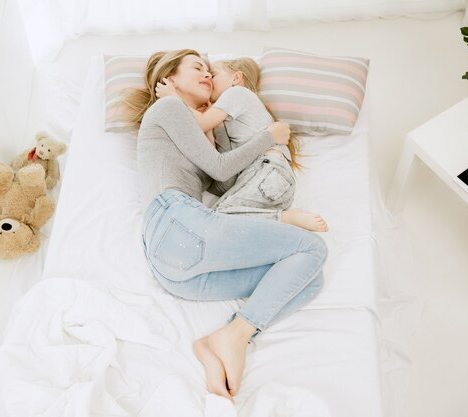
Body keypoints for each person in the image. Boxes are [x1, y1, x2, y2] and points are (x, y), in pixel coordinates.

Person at [123, 49, 328, 400]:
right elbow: (220, 170)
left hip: (177, 270)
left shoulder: (190, 124)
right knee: (312, 247)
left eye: (208, 69)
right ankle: (236, 336)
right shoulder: (167, 108)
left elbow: (219, 181)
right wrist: (269, 137)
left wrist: (213, 130)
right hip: (176, 220)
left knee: (309, 279)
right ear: (169, 80)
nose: (205, 74)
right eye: (197, 68)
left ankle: (231, 335)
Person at [155, 57, 327, 232]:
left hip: (268, 174)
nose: (208, 77)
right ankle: (281, 217)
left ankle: (286, 218)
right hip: (267, 184)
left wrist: (173, 97)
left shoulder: (237, 93)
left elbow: (200, 123)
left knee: (216, 219)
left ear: (236, 78)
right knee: (218, 222)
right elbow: (224, 175)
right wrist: (215, 127)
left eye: (213, 74)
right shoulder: (231, 120)